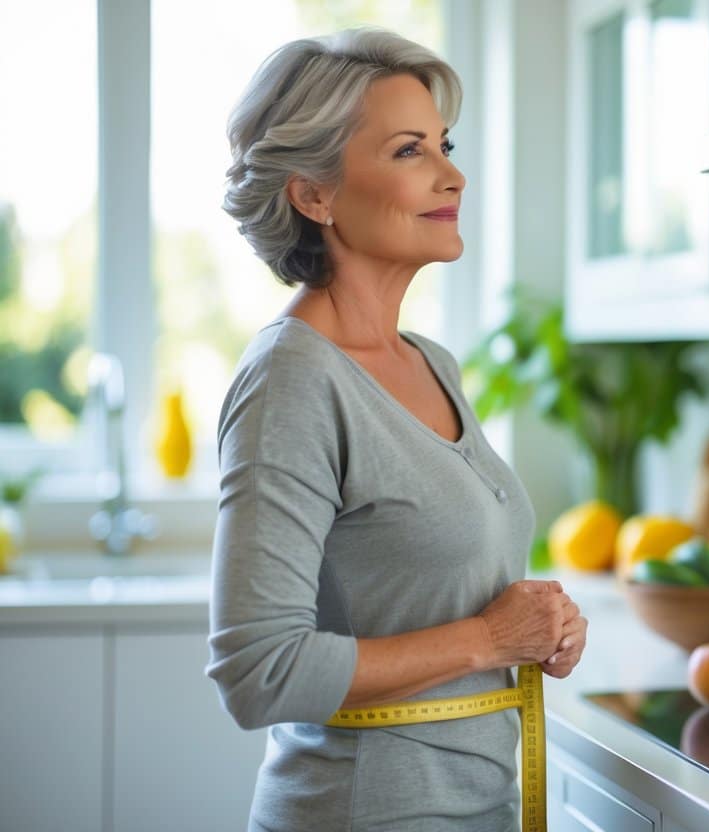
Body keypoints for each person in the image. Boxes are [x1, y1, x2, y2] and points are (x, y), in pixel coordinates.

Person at [206, 28, 587, 832]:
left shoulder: (431, 362)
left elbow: (432, 589)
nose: (453, 174)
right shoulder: (292, 381)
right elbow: (258, 672)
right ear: (315, 195)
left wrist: (537, 628)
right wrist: (487, 638)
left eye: (443, 145)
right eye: (410, 151)